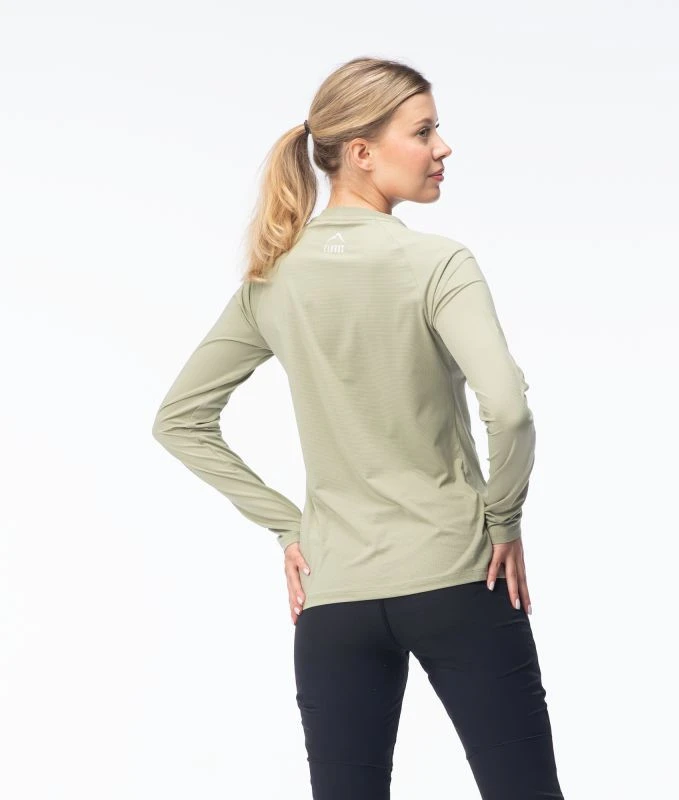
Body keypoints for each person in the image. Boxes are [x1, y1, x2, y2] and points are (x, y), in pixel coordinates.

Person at [152, 56, 565, 800]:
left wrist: (292, 528)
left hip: (334, 599)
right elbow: (507, 408)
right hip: (459, 577)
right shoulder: (436, 263)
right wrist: (502, 519)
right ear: (363, 151)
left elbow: (180, 420)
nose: (443, 148)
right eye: (425, 131)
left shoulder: (272, 279)